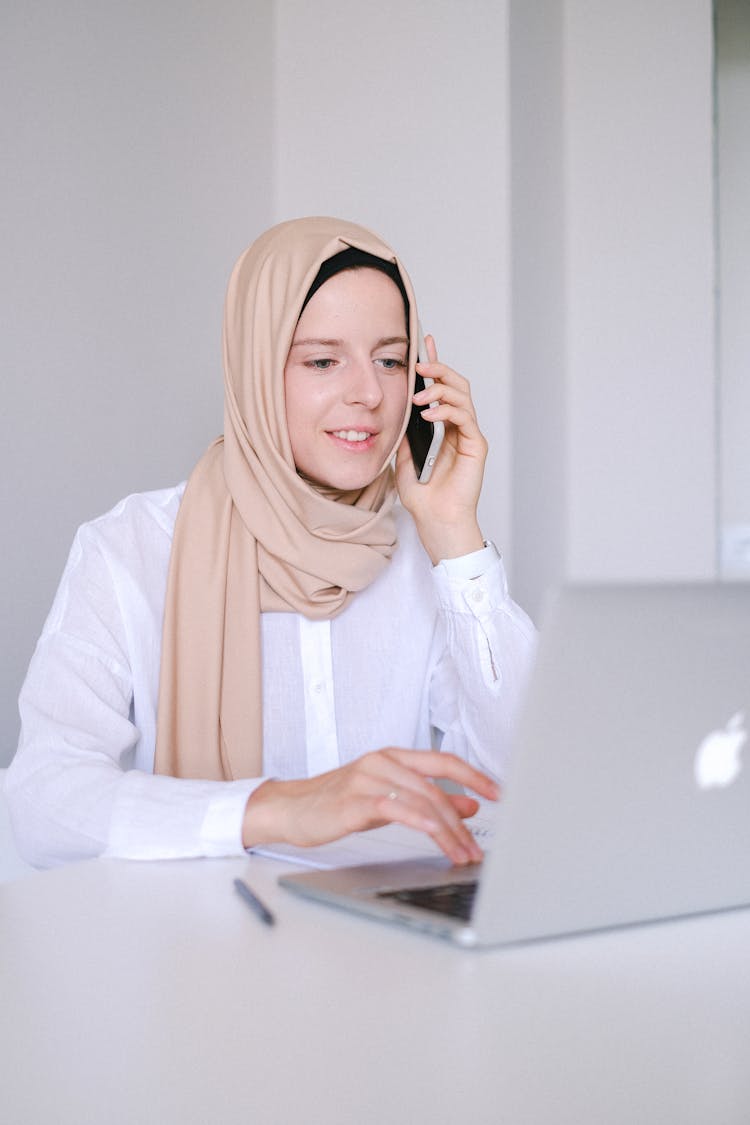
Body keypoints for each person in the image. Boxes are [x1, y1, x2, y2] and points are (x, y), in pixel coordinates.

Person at [6, 216, 536, 869]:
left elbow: (524, 778)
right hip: (187, 953)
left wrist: (456, 533)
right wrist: (281, 807)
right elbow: (42, 800)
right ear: (255, 367)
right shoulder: (131, 550)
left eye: (391, 360)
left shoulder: (419, 558)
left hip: (383, 956)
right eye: (323, 360)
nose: (369, 393)